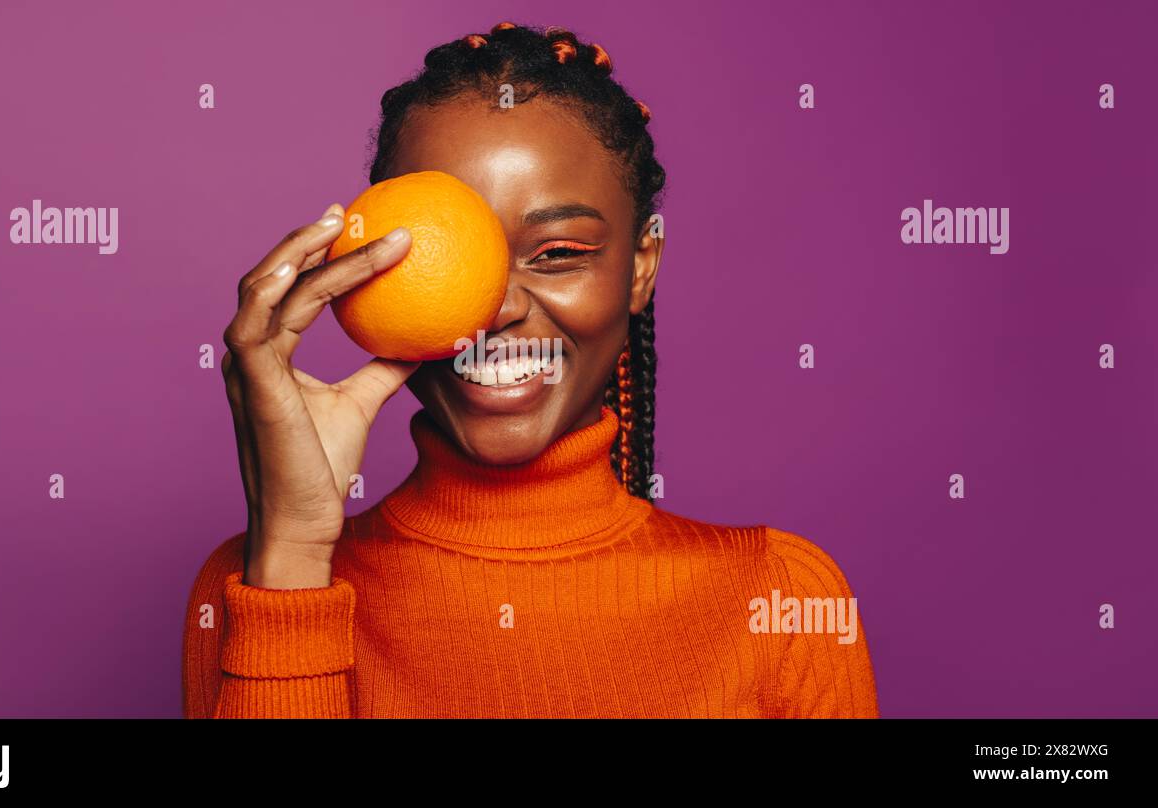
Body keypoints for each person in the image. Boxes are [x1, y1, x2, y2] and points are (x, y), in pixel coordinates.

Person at [183, 22, 878, 718]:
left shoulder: (783, 603)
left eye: (558, 252)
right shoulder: (250, 585)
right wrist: (295, 560)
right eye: (446, 257)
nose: (499, 309)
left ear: (640, 269)